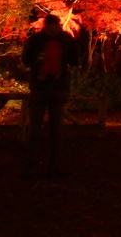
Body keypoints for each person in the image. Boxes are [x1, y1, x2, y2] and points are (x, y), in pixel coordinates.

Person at [21, 13, 78, 179]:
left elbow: (25, 60)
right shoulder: (67, 39)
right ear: (59, 24)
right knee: (57, 129)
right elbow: (74, 61)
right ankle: (54, 167)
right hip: (59, 86)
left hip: (38, 87)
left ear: (44, 24)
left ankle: (29, 168)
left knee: (34, 129)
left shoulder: (35, 39)